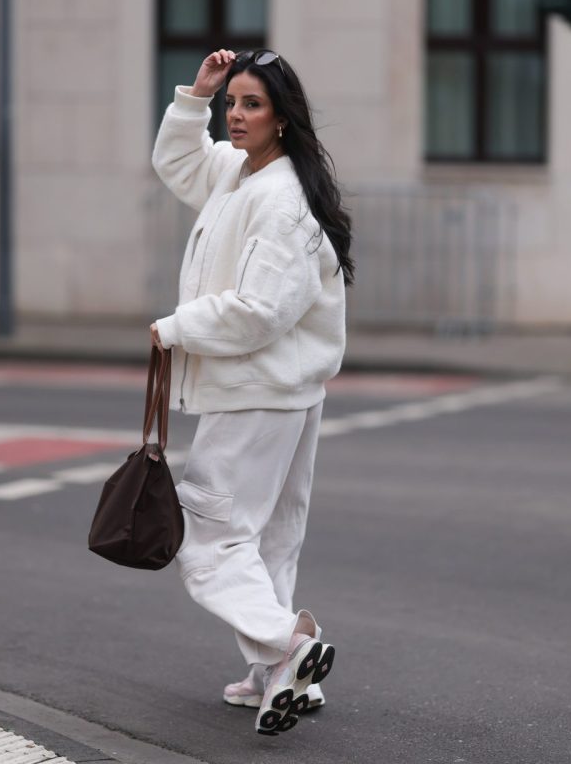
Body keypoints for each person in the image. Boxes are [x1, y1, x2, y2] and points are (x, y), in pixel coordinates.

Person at [149, 48, 354, 736]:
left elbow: (260, 311)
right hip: (282, 389)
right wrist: (194, 98)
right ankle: (274, 676)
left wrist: (175, 327)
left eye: (250, 105)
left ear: (283, 118)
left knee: (206, 542)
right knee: (271, 538)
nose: (235, 116)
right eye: (232, 103)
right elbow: (178, 164)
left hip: (254, 391)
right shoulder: (242, 171)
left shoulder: (281, 201)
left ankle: (288, 642)